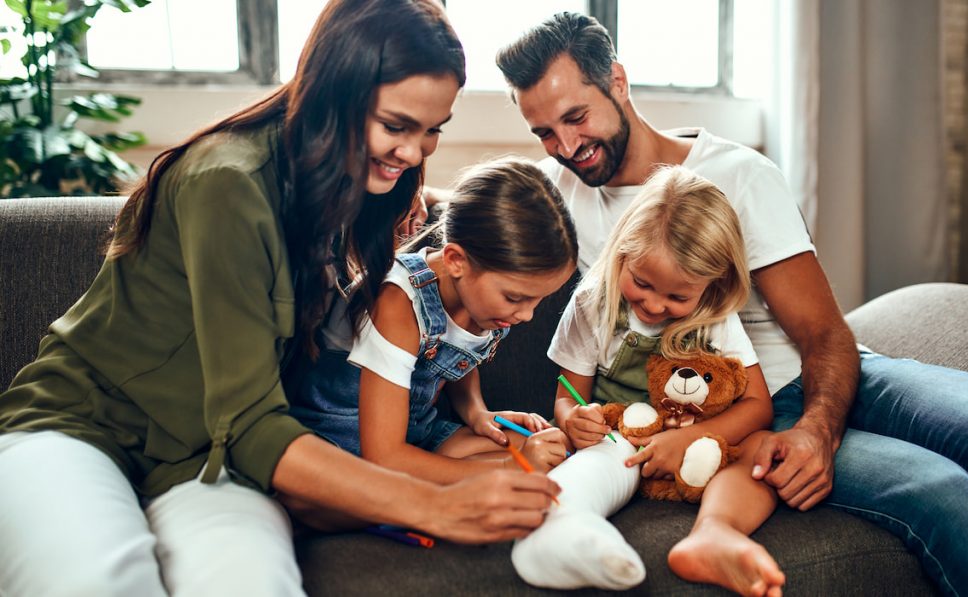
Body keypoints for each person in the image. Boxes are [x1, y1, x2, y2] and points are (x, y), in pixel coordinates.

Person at [0, 2, 561, 595]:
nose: (416, 152)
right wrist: (434, 502)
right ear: (331, 93)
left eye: (432, 131)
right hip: (79, 426)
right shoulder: (227, 182)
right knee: (95, 583)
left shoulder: (371, 185)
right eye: (396, 126)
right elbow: (251, 422)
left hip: (205, 460)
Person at [495, 11, 968, 596]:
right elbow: (464, 233)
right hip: (738, 415)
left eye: (576, 117)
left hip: (832, 374)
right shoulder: (550, 196)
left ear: (617, 82)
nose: (567, 146)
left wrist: (819, 432)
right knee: (940, 491)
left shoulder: (737, 174)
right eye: (544, 132)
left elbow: (823, 331)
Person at [510, 166, 784, 596]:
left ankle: (716, 532)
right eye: (641, 283)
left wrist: (692, 440)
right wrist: (573, 419)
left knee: (763, 449)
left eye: (678, 297)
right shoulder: (593, 302)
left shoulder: (714, 316)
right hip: (625, 442)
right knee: (600, 458)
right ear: (622, 251)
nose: (654, 305)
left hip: (704, 444)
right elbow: (569, 396)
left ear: (713, 285)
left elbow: (757, 406)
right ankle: (564, 530)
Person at [288, 157, 576, 482]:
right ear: (456, 261)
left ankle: (434, 478)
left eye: (538, 300)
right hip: (345, 446)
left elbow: (457, 359)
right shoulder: (396, 302)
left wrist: (477, 412)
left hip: (419, 435)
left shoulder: (486, 306)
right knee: (524, 465)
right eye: (515, 298)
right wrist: (513, 467)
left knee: (552, 449)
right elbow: (383, 456)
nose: (526, 315)